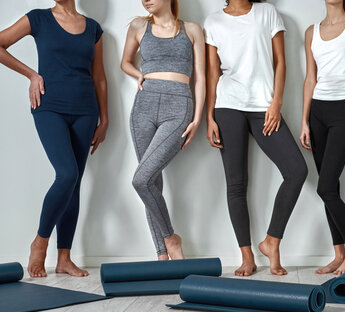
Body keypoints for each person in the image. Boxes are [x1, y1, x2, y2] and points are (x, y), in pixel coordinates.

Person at [0, 0, 108, 277]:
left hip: (85, 111)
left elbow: (100, 79)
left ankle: (64, 258)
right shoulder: (38, 19)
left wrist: (105, 119)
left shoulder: (93, 29)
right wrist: (31, 75)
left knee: (74, 184)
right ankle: (40, 243)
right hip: (49, 106)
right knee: (67, 174)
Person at [205, 0, 308, 276]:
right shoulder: (213, 21)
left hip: (264, 106)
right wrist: (209, 116)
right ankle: (246, 256)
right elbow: (213, 72)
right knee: (236, 184)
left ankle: (271, 241)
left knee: (297, 170)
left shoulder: (267, 13)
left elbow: (281, 61)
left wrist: (276, 103)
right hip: (227, 105)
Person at [121, 0, 205, 260]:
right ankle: (162, 254)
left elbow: (201, 76)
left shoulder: (191, 30)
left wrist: (198, 117)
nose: (145, 0)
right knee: (150, 182)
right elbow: (124, 62)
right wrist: (139, 74)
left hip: (178, 106)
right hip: (143, 106)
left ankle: (171, 239)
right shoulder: (138, 26)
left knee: (141, 179)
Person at [300, 0, 345, 275]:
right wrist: (304, 120)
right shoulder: (311, 31)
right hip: (317, 111)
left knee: (326, 187)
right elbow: (310, 78)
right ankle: (339, 253)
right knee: (331, 188)